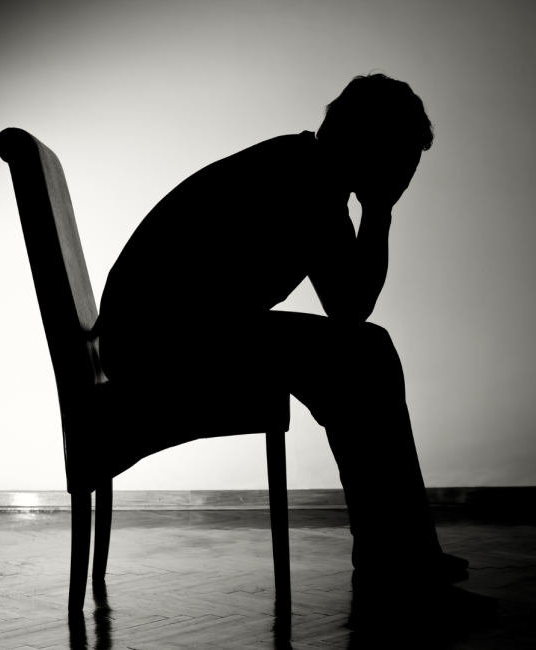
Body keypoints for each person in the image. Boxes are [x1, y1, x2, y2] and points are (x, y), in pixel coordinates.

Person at [98, 73, 497, 621]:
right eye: (402, 160)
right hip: (161, 345)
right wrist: (380, 210)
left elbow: (348, 307)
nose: (405, 176)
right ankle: (396, 558)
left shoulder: (303, 169)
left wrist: (374, 208)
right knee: (364, 355)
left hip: (162, 336)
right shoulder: (305, 181)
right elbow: (351, 307)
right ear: (371, 144)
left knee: (362, 354)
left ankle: (396, 554)